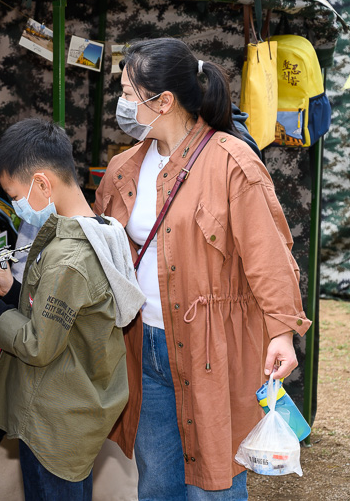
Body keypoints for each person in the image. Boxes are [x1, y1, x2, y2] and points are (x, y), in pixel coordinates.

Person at [95, 38, 310, 500]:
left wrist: (281, 333)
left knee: (215, 483)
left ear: (163, 101)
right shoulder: (122, 168)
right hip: (145, 343)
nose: (123, 104)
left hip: (214, 345)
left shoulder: (232, 161)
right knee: (157, 482)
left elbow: (270, 256)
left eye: (130, 94)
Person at [0, 118, 145, 500]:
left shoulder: (68, 257)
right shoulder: (97, 227)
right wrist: (10, 289)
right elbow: (64, 312)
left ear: (42, 183)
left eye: (15, 194)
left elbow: (37, 345)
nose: (15, 205)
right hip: (71, 409)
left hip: (56, 422)